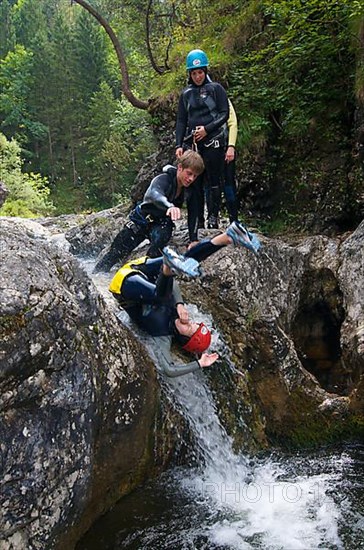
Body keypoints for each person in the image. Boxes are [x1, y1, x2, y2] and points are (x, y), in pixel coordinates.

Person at [109, 221, 261, 377]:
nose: (188, 321)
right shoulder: (178, 310)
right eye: (194, 323)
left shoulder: (163, 336)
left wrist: (199, 364)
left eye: (189, 329)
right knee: (179, 267)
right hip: (140, 268)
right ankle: (227, 237)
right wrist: (180, 304)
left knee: (163, 293)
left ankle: (172, 266)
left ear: (182, 338)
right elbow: (172, 286)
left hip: (121, 285)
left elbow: (169, 369)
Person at [94, 150, 204, 273]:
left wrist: (193, 239)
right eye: (189, 173)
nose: (191, 179)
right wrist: (169, 206)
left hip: (161, 224)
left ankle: (144, 273)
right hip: (141, 220)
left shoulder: (191, 190)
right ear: (180, 167)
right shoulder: (163, 179)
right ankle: (97, 277)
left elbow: (194, 214)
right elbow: (154, 195)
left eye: (195, 176)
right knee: (114, 254)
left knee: (160, 243)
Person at [175, 49, 229, 231]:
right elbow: (181, 120)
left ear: (205, 71)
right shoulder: (186, 94)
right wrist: (179, 144)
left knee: (214, 181)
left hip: (213, 141)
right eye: (194, 73)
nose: (198, 76)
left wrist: (207, 130)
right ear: (189, 74)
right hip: (193, 144)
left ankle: (213, 217)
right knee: (194, 182)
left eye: (200, 72)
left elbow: (224, 114)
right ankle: (198, 220)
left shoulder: (216, 89)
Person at [224, 99, 239, 222]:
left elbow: (233, 123)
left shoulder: (222, 97)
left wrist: (231, 146)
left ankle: (234, 219)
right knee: (208, 186)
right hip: (207, 150)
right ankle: (209, 219)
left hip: (225, 147)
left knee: (229, 184)